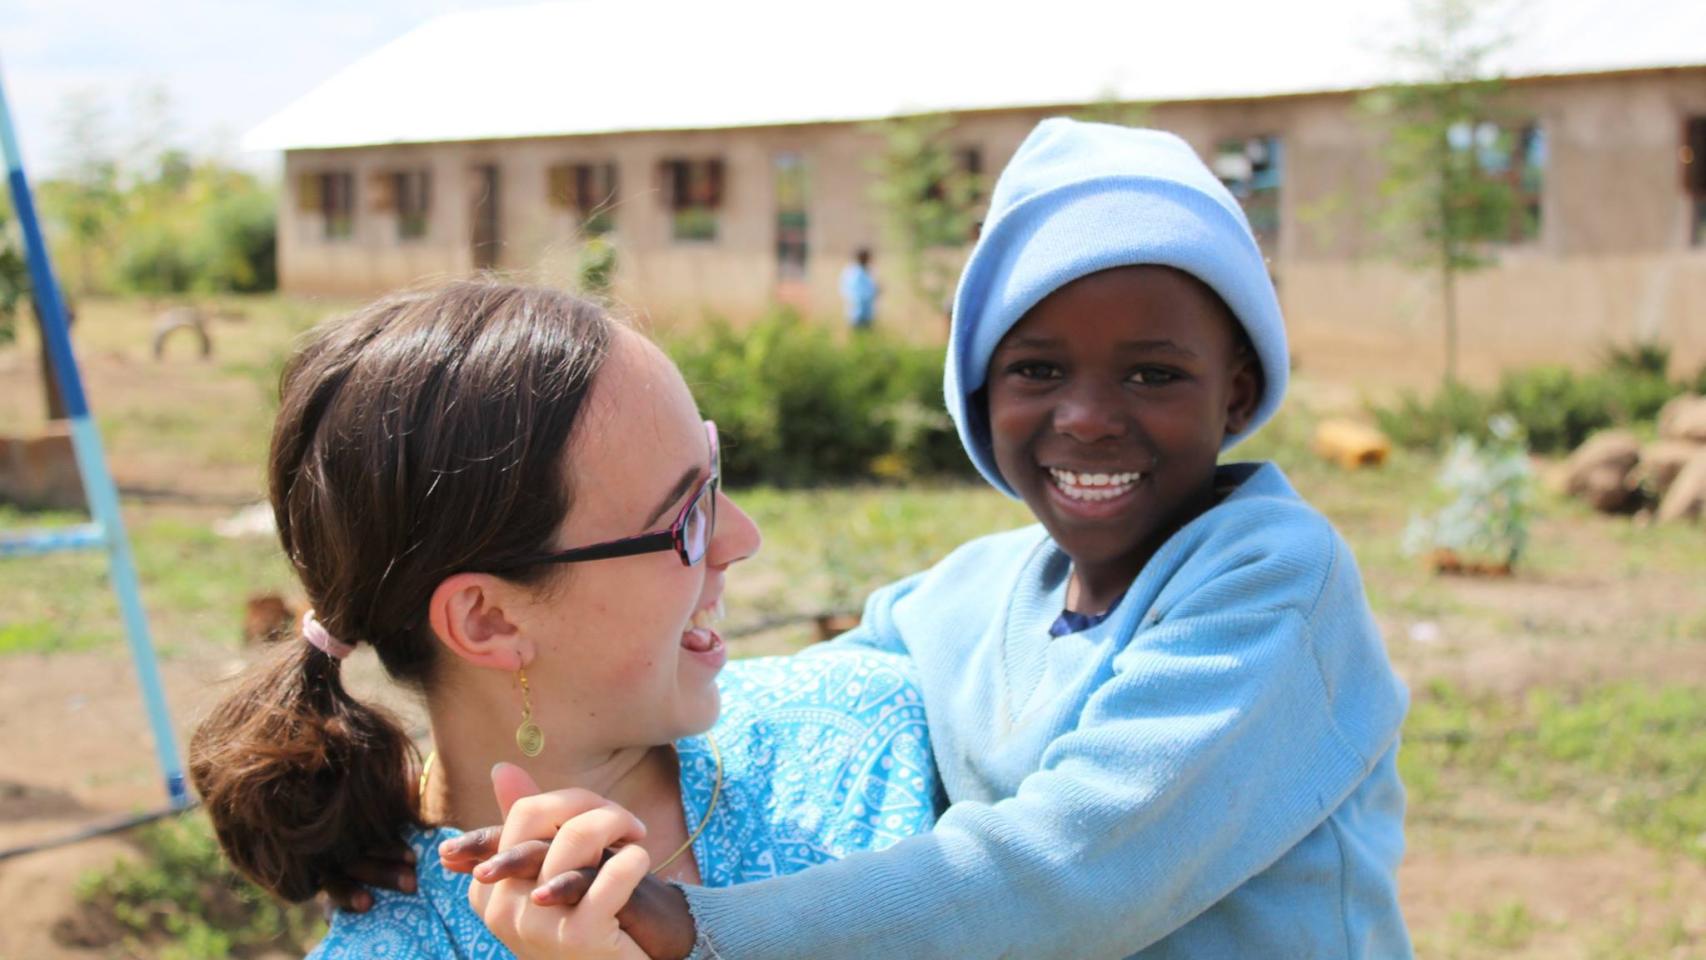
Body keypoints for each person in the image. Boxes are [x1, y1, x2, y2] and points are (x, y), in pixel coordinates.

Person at [460, 118, 1413, 959]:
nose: (1085, 418)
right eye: (1037, 368)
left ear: (1237, 392)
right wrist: (434, 761)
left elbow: (1070, 868)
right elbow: (781, 705)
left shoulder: (1272, 583)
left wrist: (706, 927)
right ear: (977, 392)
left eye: (1153, 375)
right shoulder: (970, 596)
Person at [185, 281, 939, 958]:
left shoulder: (866, 732)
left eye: (713, 475)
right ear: (487, 620)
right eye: (686, 519)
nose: (743, 539)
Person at [838, 247, 878, 331]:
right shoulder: (854, 273)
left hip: (867, 313)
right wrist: (874, 292)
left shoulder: (867, 271)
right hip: (857, 314)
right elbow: (858, 293)